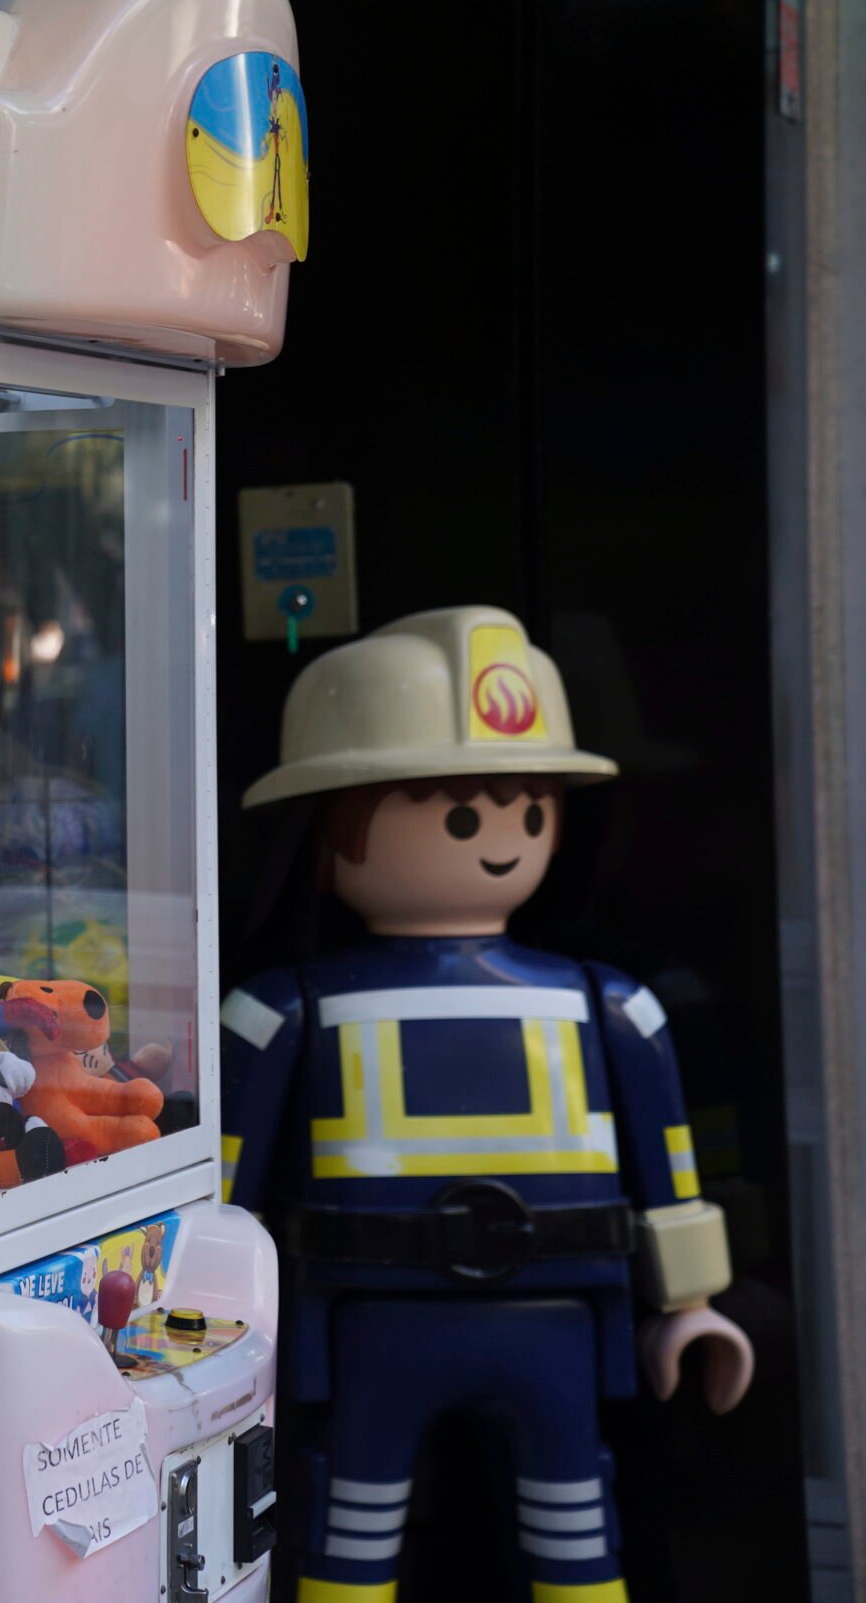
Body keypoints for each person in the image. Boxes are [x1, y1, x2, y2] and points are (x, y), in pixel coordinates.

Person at [223, 606, 753, 1603]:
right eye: (457, 815)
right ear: (326, 830)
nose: (497, 840)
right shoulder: (282, 1010)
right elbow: (223, 1188)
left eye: (524, 811)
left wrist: (690, 1306)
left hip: (550, 1318)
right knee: (350, 1525)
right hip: (369, 1323)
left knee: (575, 1527)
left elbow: (668, 1171)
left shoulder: (610, 1006)